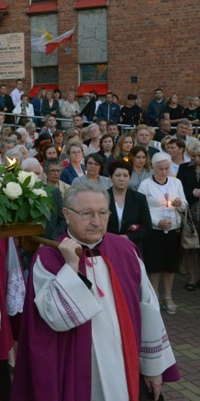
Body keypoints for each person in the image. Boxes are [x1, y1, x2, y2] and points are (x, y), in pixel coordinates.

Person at [11, 181, 179, 401]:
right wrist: (71, 267)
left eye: (102, 213)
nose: (96, 222)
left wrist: (153, 367)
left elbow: (147, 308)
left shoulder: (126, 251)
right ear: (66, 214)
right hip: (75, 366)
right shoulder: (48, 259)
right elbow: (55, 318)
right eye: (87, 213)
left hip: (123, 361)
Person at [138, 152, 187, 314]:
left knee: (170, 265)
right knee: (154, 265)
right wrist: (156, 222)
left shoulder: (176, 182)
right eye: (161, 169)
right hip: (154, 231)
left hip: (173, 229)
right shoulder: (145, 185)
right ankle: (155, 296)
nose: (165, 172)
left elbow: (184, 205)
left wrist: (180, 204)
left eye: (167, 169)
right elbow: (142, 210)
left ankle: (168, 296)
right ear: (153, 168)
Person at [107, 160, 152, 254]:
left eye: (125, 175)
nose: (122, 179)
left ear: (130, 178)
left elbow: (147, 227)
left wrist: (128, 237)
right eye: (117, 175)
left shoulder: (139, 198)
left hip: (131, 246)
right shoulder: (102, 197)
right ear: (110, 178)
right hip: (107, 245)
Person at [177, 142, 200, 291]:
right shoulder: (184, 168)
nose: (197, 159)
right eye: (194, 156)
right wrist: (193, 193)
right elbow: (179, 188)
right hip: (190, 214)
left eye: (199, 156)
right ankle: (192, 278)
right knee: (190, 247)